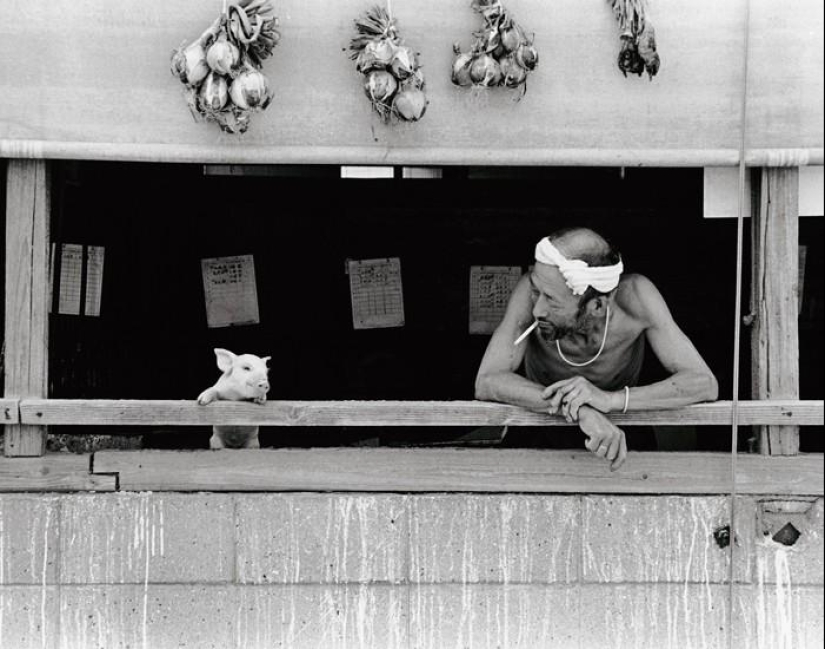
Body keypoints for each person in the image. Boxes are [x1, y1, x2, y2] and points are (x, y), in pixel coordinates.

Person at [474, 227, 718, 470]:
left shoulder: (635, 298)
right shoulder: (528, 292)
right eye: (538, 292)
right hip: (542, 424)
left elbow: (703, 383)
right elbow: (487, 380)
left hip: (619, 429)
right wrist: (580, 410)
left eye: (552, 301)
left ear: (598, 306)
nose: (537, 310)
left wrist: (610, 400)